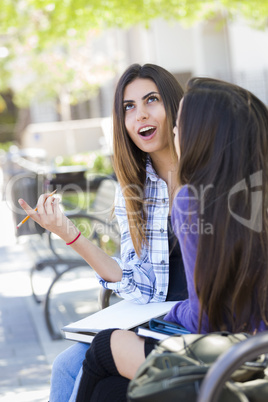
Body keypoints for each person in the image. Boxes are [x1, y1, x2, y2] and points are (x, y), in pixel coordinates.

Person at [75, 77, 268, 401]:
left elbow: (207, 317)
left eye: (180, 124)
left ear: (203, 133)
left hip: (232, 353)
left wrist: (171, 314)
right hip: (247, 344)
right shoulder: (246, 190)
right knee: (106, 383)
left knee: (103, 350)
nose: (141, 116)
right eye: (129, 107)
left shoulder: (193, 200)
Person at [18, 63, 187, 401]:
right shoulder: (136, 191)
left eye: (151, 100)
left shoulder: (211, 175)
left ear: (175, 108)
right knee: (66, 364)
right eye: (129, 107)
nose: (140, 115)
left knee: (101, 385)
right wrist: (69, 234)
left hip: (198, 324)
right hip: (157, 320)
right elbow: (140, 284)